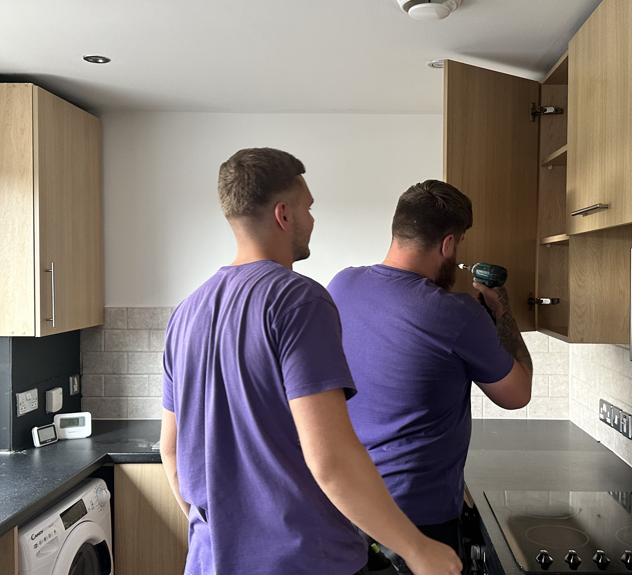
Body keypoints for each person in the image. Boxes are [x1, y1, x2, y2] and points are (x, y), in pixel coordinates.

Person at [159, 149, 462, 575]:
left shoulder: (185, 312)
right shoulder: (299, 300)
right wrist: (417, 549)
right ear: (284, 214)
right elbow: (331, 458)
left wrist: (219, 532)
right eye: (309, 207)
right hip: (301, 560)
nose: (313, 219)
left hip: (209, 560)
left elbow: (170, 451)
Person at [326, 180, 534, 562]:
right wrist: (502, 316)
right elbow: (517, 394)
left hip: (347, 506)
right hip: (419, 522)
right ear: (449, 244)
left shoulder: (340, 286)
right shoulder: (458, 313)